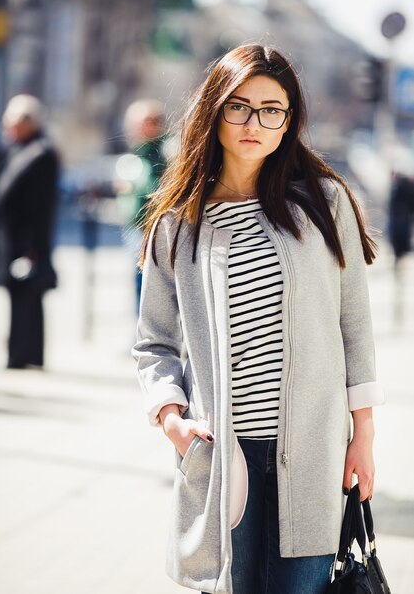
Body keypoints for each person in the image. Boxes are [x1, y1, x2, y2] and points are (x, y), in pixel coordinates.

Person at [132, 44, 385, 594]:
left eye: (273, 110)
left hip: (314, 448)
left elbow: (355, 326)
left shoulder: (325, 202)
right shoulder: (178, 225)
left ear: (289, 121)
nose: (255, 123)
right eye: (240, 107)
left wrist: (362, 435)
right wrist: (173, 422)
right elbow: (153, 341)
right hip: (224, 456)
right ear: (214, 110)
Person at [0, 94, 60, 369]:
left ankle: (23, 355)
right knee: (21, 295)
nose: (6, 129)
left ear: (27, 123)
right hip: (13, 238)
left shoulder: (41, 153)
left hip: (28, 241)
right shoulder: (18, 149)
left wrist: (35, 246)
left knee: (28, 294)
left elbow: (39, 206)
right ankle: (24, 353)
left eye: (11, 123)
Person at [115, 99, 167, 316]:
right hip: (135, 226)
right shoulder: (134, 153)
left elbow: (154, 187)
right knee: (140, 281)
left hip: (157, 226)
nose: (142, 127)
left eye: (149, 122)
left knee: (157, 284)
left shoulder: (165, 150)